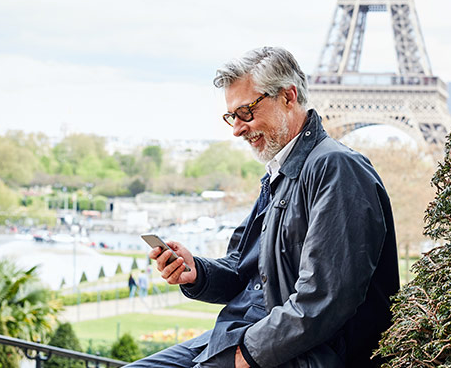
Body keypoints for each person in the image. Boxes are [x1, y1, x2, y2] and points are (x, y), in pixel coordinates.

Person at [129, 47, 399, 367]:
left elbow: (325, 300)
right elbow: (243, 270)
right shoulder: (280, 174)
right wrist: (196, 272)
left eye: (246, 112)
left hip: (296, 354)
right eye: (231, 116)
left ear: (288, 96)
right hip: (248, 338)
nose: (237, 128)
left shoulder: (337, 168)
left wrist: (249, 355)